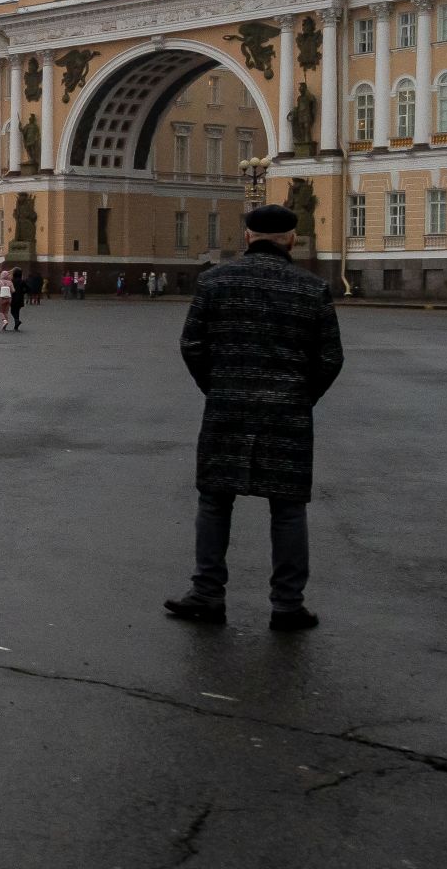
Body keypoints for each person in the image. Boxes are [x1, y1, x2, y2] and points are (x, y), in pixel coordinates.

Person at [165, 204, 343, 632]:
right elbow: (331, 358)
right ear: (292, 240)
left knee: (214, 501)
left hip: (227, 407)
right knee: (287, 509)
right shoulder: (312, 289)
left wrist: (219, 387)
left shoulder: (213, 282)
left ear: (246, 237)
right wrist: (300, 396)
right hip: (288, 415)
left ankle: (207, 593)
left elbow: (192, 345)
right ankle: (287, 605)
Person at [8, 267, 25, 331]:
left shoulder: (11, 281)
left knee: (12, 311)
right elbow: (28, 288)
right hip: (20, 298)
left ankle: (17, 321)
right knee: (17, 311)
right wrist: (23, 292)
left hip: (13, 298)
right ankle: (16, 325)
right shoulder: (22, 281)